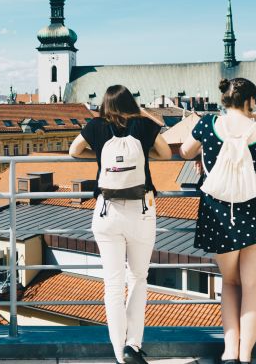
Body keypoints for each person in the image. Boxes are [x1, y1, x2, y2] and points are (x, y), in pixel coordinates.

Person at [178, 78, 256, 364]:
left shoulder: (208, 124)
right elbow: (252, 145)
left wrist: (204, 157)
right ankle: (246, 355)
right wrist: (252, 116)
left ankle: (229, 351)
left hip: (219, 211)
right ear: (250, 100)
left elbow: (184, 151)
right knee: (253, 284)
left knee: (230, 283)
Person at [69, 85, 172, 364]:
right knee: (138, 278)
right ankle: (133, 345)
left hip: (106, 212)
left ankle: (118, 353)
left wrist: (99, 156)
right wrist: (142, 114)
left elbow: (73, 151)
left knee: (112, 285)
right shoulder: (142, 125)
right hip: (140, 210)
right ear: (131, 104)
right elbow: (166, 155)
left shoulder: (95, 126)